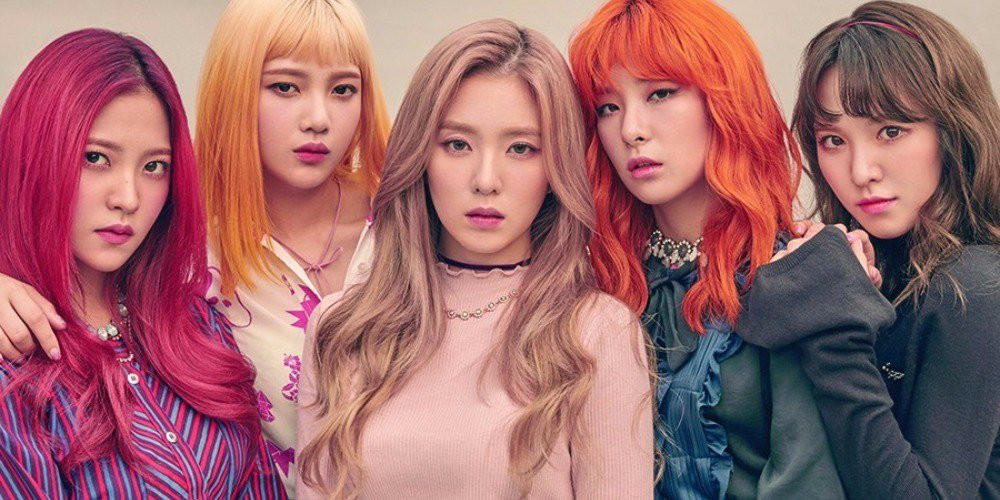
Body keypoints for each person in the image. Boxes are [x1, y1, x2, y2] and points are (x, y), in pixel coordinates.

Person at [297, 19, 654, 499]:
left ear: (556, 167)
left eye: (521, 148)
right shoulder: (341, 328)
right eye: (458, 144)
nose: (486, 180)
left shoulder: (596, 333)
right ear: (421, 156)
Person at [0, 29, 283, 497]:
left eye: (154, 166)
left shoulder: (199, 325)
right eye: (96, 158)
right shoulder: (13, 358)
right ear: (33, 156)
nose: (129, 198)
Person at [738, 2, 1000, 498]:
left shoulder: (975, 288)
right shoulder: (873, 264)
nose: (861, 172)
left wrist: (835, 322)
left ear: (954, 128)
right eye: (833, 140)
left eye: (890, 131)